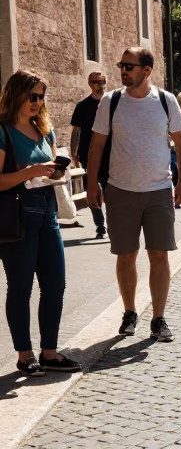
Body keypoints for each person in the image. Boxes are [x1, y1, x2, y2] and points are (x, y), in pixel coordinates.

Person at [86, 47, 181, 342]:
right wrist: (93, 184)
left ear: (146, 70)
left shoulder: (167, 102)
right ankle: (130, 311)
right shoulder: (111, 101)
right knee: (126, 255)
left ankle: (158, 318)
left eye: (129, 65)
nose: (123, 70)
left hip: (158, 191)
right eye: (121, 65)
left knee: (159, 255)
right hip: (120, 191)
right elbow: (97, 146)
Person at [0, 69, 82, 375]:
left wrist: (56, 171)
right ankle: (25, 354)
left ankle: (49, 351)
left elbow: (46, 173)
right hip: (18, 217)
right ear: (16, 94)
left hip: (47, 213)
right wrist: (31, 171)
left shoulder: (45, 130)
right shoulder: (3, 131)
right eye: (32, 96)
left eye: (41, 97)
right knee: (20, 287)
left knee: (55, 284)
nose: (37, 102)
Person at [70, 71, 108, 238]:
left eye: (102, 81)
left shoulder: (112, 104)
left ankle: (114, 224)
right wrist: (74, 152)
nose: (99, 85)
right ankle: (100, 226)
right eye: (95, 82)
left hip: (111, 154)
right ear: (89, 84)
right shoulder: (82, 106)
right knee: (92, 190)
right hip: (88, 155)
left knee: (112, 192)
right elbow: (76, 131)